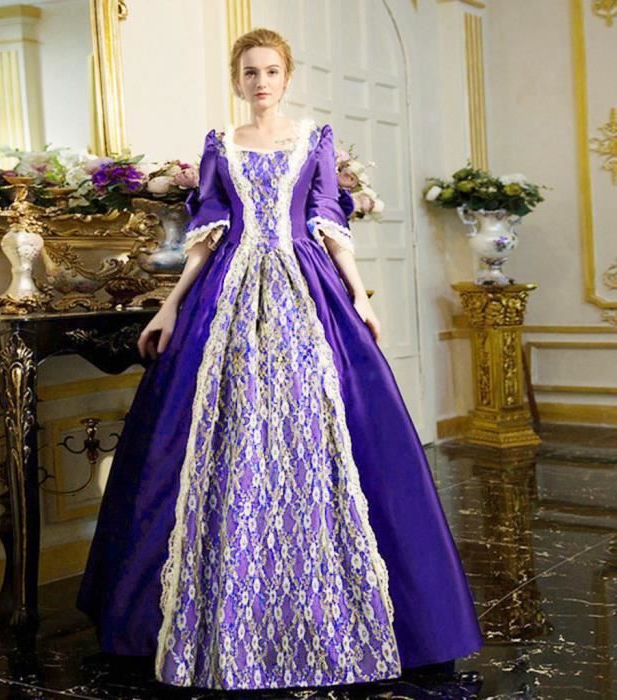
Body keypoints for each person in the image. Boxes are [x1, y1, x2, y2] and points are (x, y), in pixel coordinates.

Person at [77, 27, 484, 692]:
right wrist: (170, 306)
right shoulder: (220, 144)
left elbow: (330, 225)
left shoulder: (314, 141)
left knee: (323, 431)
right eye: (249, 72)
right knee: (222, 435)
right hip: (226, 296)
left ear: (286, 76)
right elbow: (205, 239)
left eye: (270, 71)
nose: (260, 81)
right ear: (236, 79)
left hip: (306, 292)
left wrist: (361, 297)